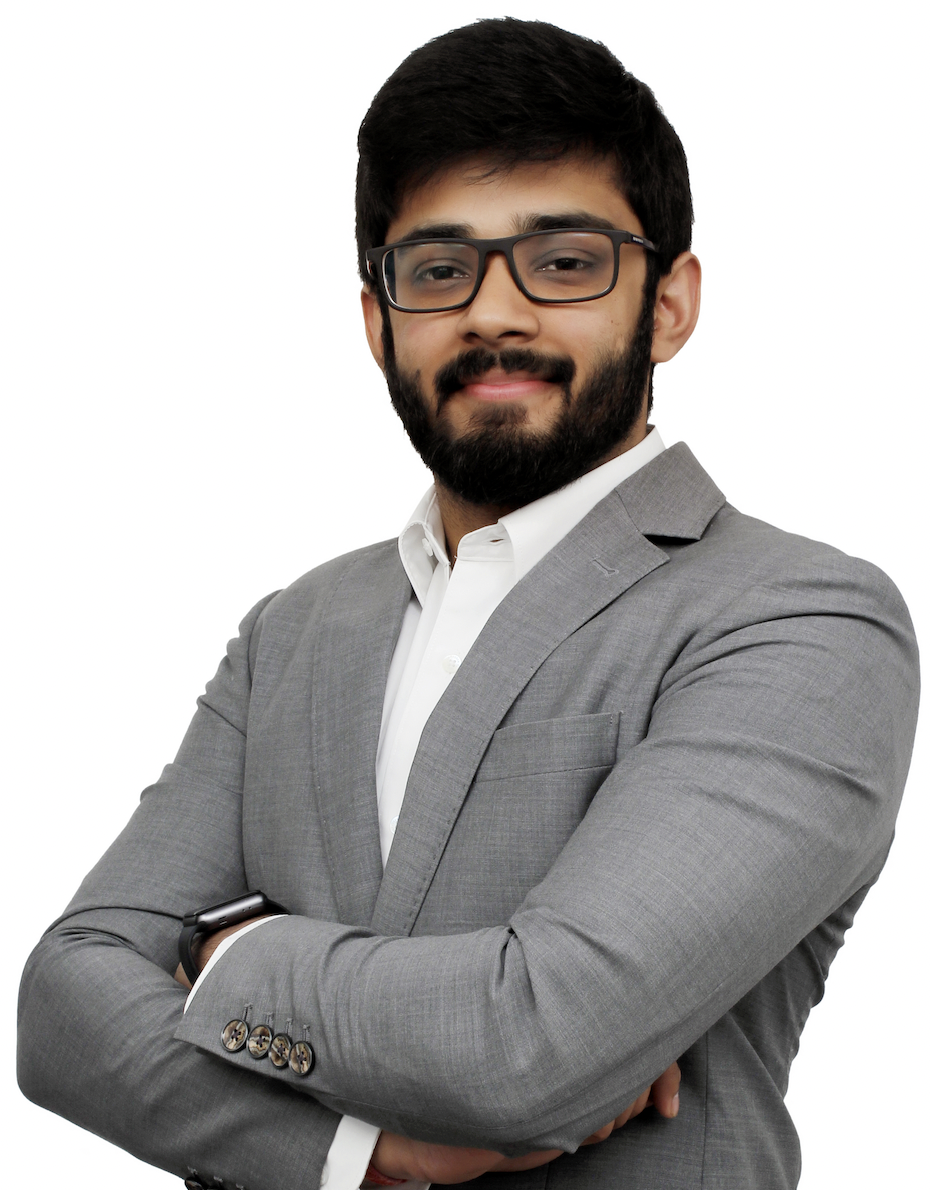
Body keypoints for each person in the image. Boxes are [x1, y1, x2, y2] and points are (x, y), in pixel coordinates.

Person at [17, 17, 919, 1190]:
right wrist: (360, 1151)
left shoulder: (801, 619)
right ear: (378, 318)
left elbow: (533, 1044)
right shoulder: (294, 629)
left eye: (565, 260)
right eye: (440, 268)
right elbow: (62, 1003)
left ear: (670, 302)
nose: (495, 313)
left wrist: (230, 953)